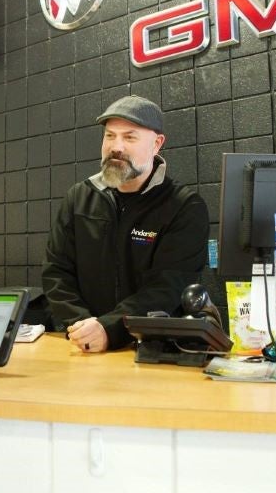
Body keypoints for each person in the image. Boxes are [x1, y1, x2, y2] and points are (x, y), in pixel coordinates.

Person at [42, 95, 209, 353]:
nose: (116, 146)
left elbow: (168, 287)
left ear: (157, 144)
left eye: (129, 137)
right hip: (81, 346)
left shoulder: (185, 206)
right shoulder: (78, 198)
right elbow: (56, 272)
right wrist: (82, 327)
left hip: (152, 349)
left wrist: (110, 329)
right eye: (110, 136)